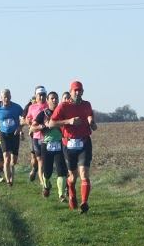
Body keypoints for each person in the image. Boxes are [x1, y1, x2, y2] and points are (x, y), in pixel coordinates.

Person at [49, 79, 97, 212]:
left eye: (79, 90)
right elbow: (51, 123)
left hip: (84, 142)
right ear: (70, 92)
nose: (77, 92)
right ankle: (72, 193)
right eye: (75, 90)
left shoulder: (87, 105)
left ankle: (84, 203)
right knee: (72, 176)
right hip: (68, 144)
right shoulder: (63, 106)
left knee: (84, 174)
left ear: (82, 92)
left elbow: (91, 118)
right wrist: (68, 121)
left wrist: (92, 123)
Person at [32, 91, 68, 201]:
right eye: (52, 98)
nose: (54, 100)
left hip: (60, 144)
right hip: (46, 145)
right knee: (47, 172)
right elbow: (33, 128)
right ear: (47, 100)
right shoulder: (43, 114)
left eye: (56, 98)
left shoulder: (62, 113)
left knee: (61, 170)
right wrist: (43, 126)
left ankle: (61, 195)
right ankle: (46, 186)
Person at [0, 89, 23, 186]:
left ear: (10, 97)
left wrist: (20, 128)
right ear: (1, 98)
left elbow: (24, 117)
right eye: (4, 97)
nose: (6, 99)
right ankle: (8, 181)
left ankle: (11, 174)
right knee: (6, 158)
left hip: (14, 134)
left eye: (8, 96)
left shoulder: (17, 107)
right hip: (4, 134)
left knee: (13, 160)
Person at [25, 85, 47, 183]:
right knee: (38, 160)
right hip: (36, 137)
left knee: (44, 160)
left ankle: (44, 181)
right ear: (36, 96)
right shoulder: (32, 107)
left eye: (43, 95)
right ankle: (37, 174)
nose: (42, 97)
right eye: (39, 95)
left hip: (48, 137)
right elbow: (27, 118)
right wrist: (29, 123)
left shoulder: (49, 105)